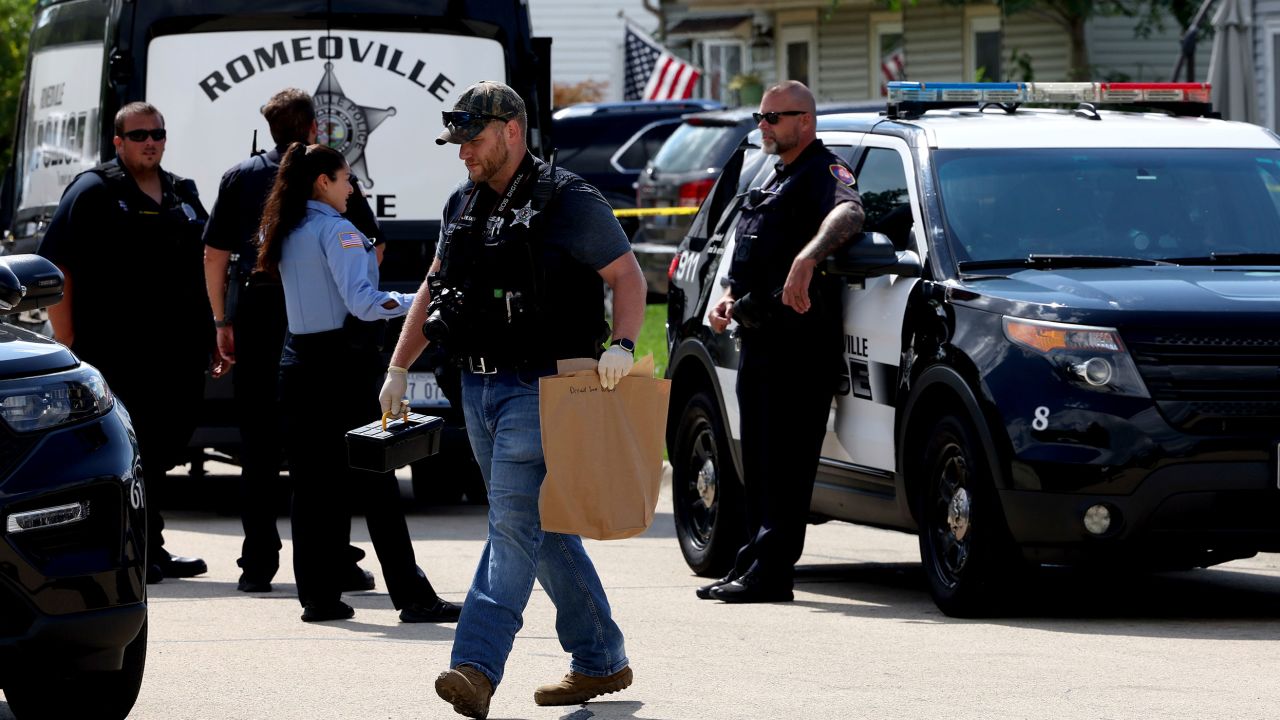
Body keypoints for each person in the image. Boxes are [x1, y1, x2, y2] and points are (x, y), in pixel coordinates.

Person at [378, 81, 644, 719]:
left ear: (512, 131)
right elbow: (433, 286)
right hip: (475, 385)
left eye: (472, 139)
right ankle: (601, 658)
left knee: (511, 524)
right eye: (458, 142)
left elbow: (628, 277)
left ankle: (475, 665)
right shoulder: (460, 204)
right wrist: (397, 366)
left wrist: (626, 345)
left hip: (545, 388)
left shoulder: (568, 199)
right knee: (542, 528)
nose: (463, 152)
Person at [255, 142, 461, 624]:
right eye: (347, 178)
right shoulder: (338, 231)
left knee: (310, 485)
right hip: (339, 366)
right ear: (322, 181)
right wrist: (419, 302)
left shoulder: (281, 227)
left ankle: (318, 598)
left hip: (297, 362)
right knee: (377, 479)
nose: (353, 187)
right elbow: (363, 303)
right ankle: (412, 596)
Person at [203, 88, 380, 594]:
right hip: (313, 321)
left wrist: (221, 321)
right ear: (312, 130)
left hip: (257, 315)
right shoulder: (324, 176)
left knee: (258, 444)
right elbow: (371, 247)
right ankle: (335, 561)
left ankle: (257, 565)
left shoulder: (239, 177)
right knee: (326, 444)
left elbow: (214, 256)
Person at [701, 81, 865, 604]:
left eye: (774, 117)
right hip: (758, 338)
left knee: (789, 464)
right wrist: (727, 293)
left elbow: (851, 214)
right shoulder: (773, 175)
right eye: (761, 116)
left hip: (801, 344)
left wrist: (808, 256)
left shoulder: (824, 172)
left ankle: (773, 573)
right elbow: (749, 249)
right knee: (762, 460)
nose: (764, 125)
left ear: (805, 122)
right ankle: (751, 562)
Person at [39, 102, 210, 585]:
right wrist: (66, 337)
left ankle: (150, 544)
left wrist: (216, 328)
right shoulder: (94, 190)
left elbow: (208, 262)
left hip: (177, 351)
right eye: (139, 136)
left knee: (163, 449)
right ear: (118, 142)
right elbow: (57, 263)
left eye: (157, 133)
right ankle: (130, 551)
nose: (150, 142)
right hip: (116, 351)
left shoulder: (182, 192)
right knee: (126, 453)